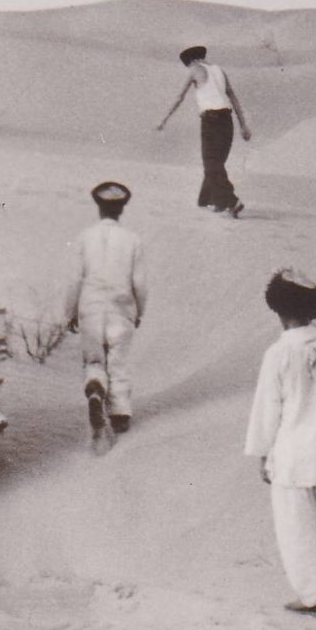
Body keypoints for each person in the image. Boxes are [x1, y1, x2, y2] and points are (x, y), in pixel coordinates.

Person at [244, 270, 316, 617]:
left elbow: (269, 407)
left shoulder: (278, 353)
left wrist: (263, 451)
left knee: (296, 527)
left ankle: (313, 596)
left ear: (279, 311)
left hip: (295, 453)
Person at [62, 181, 148, 449]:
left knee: (94, 361)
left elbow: (74, 279)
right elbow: (140, 282)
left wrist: (70, 312)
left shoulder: (84, 237)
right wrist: (139, 311)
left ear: (98, 207)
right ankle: (120, 414)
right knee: (118, 362)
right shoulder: (133, 240)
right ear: (122, 209)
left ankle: (96, 389)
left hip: (91, 308)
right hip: (121, 310)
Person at [156, 45, 252, 217]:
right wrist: (243, 125)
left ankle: (231, 201)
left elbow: (180, 97)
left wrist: (164, 118)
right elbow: (233, 97)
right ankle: (207, 199)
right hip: (227, 120)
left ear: (191, 61)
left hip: (211, 121)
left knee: (211, 162)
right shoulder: (219, 70)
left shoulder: (195, 69)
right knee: (216, 162)